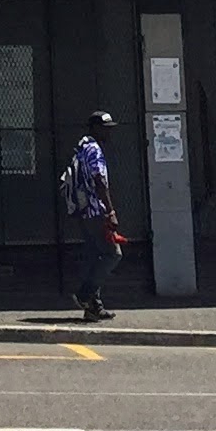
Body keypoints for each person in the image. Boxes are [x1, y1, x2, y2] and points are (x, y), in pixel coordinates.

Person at [61, 112, 123, 320]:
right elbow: (99, 181)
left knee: (96, 255)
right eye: (105, 127)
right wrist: (110, 211)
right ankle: (84, 295)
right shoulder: (94, 150)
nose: (109, 131)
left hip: (84, 211)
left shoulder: (81, 148)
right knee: (113, 254)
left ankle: (93, 307)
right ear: (95, 128)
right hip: (96, 211)